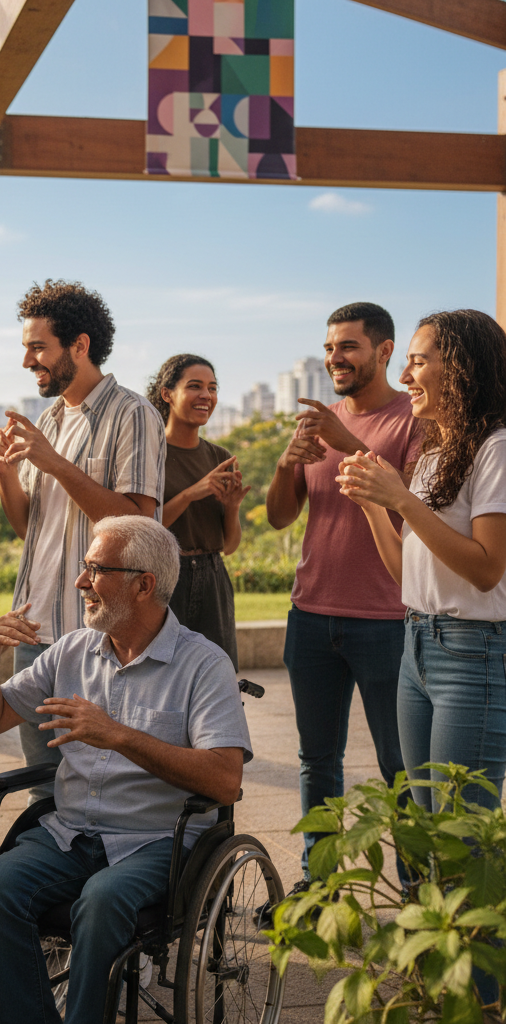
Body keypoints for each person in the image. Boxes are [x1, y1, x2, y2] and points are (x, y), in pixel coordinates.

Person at [0, 515, 252, 1024]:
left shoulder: (204, 665)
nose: (80, 583)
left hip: (158, 841)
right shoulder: (73, 650)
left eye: (96, 570)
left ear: (144, 585)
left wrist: (117, 734)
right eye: (84, 568)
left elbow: (224, 779)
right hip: (71, 834)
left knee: (101, 900)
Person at [264, 301, 422, 894]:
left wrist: (345, 440)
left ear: (384, 352)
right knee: (317, 761)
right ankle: (319, 882)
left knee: (399, 767)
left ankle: (414, 890)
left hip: (385, 620)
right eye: (330, 347)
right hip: (310, 616)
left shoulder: (412, 420)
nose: (336, 358)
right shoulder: (319, 421)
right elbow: (282, 517)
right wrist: (287, 462)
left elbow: (414, 511)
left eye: (349, 347)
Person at [0, 280, 167, 798]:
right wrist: (5, 473)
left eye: (38, 347)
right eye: (26, 348)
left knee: (102, 788)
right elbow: (31, 527)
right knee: (44, 788)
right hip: (34, 632)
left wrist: (56, 464)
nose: (27, 360)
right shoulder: (48, 419)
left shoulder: (134, 414)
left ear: (80, 345)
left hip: (94, 635)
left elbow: (140, 526)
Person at [336, 308, 506, 811]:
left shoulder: (495, 449)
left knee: (462, 830)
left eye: (416, 362)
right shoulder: (434, 455)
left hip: (473, 655)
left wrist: (403, 500)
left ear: (460, 367)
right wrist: (373, 502)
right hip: (416, 643)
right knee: (428, 820)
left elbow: (486, 568)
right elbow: (404, 574)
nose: (405, 376)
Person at [147, 354, 250, 668]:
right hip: (162, 578)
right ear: (167, 394)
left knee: (216, 676)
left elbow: (229, 546)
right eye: (195, 386)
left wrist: (231, 508)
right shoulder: (149, 454)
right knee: (158, 676)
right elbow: (142, 528)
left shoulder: (220, 457)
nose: (207, 395)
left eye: (213, 388)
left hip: (212, 579)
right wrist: (192, 493)